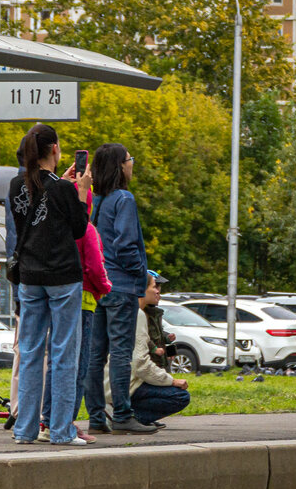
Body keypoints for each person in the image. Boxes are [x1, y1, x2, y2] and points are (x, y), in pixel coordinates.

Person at [8, 124, 92, 446]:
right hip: (63, 278)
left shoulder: (16, 185)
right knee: (63, 353)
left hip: (29, 277)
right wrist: (80, 193)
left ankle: (25, 431)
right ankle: (60, 431)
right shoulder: (62, 189)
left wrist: (67, 186)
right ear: (55, 149)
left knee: (29, 352)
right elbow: (79, 229)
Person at [84, 143, 156, 435]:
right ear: (120, 166)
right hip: (122, 285)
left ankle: (96, 417)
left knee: (95, 354)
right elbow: (126, 244)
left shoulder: (95, 200)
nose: (132, 164)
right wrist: (139, 272)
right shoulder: (124, 199)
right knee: (121, 353)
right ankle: (123, 415)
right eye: (129, 160)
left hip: (98, 285)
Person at [37, 187, 112, 442]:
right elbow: (94, 265)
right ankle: (67, 422)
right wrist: (105, 288)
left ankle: (48, 421)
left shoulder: (58, 229)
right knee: (77, 366)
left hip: (58, 301)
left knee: (56, 364)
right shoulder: (87, 229)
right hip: (85, 302)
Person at [110, 270, 189, 428]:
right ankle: (128, 417)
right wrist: (171, 380)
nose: (159, 291)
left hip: (120, 379)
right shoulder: (138, 314)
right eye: (155, 286)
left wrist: (169, 346)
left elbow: (160, 336)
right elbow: (142, 358)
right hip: (134, 376)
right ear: (140, 288)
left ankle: (126, 415)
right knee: (180, 396)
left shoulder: (145, 313)